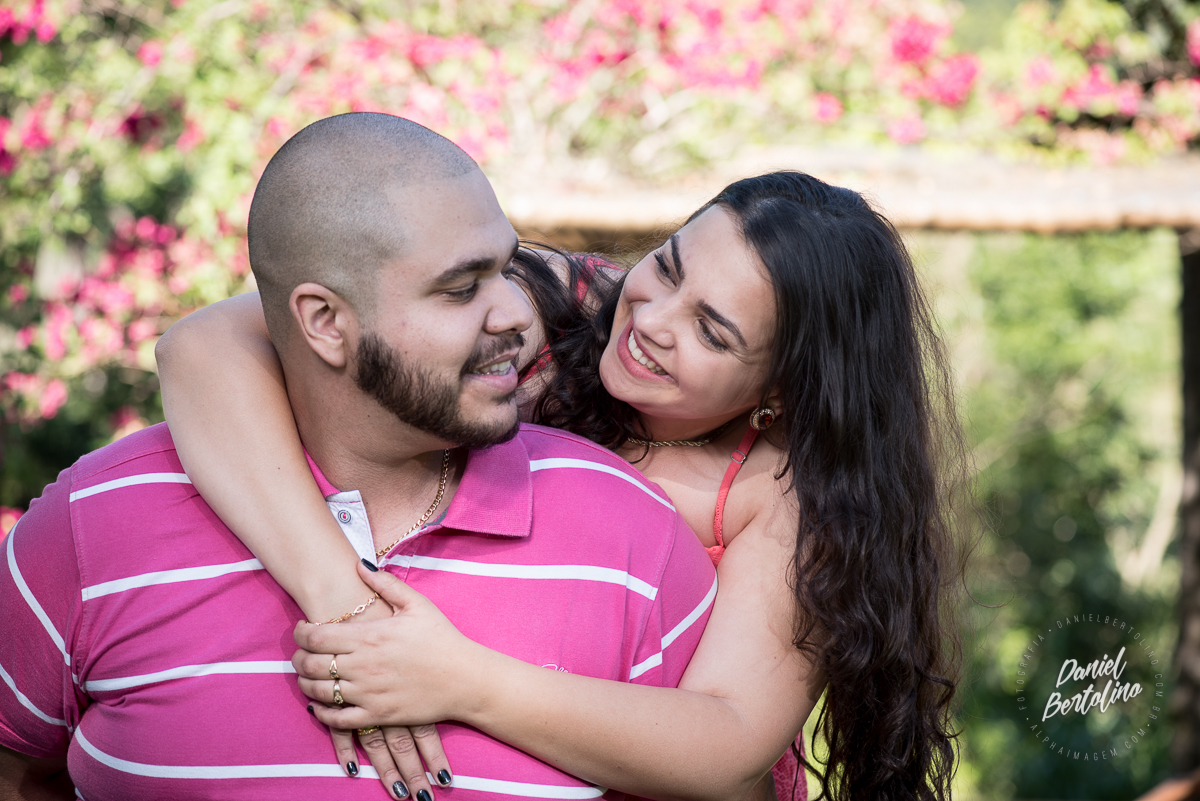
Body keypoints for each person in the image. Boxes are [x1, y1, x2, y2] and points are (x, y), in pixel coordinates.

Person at [156, 156, 968, 798]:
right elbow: (201, 347)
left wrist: (459, 680)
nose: (649, 321)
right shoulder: (565, 303)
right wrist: (343, 599)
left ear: (782, 389)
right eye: (669, 266)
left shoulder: (786, 490)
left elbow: (725, 747)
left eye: (712, 332)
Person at [0, 113, 721, 801]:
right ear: (324, 322)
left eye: (506, 269)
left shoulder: (629, 531)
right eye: (461, 288)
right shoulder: (93, 524)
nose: (513, 314)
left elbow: (731, 772)